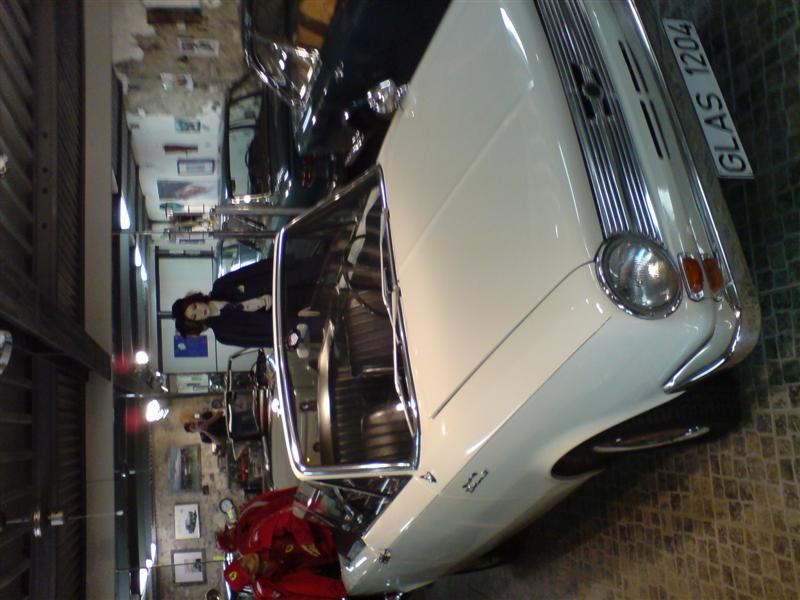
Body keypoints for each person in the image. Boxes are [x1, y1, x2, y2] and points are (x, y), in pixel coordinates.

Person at [171, 256, 321, 348]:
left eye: (194, 306)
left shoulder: (220, 286)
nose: (199, 311)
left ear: (195, 300)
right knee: (325, 319)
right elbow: (259, 340)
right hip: (287, 319)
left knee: (323, 268)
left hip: (286, 284)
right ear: (197, 324)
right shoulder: (223, 334)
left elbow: (251, 271)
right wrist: (292, 331)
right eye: (195, 316)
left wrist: (280, 262)